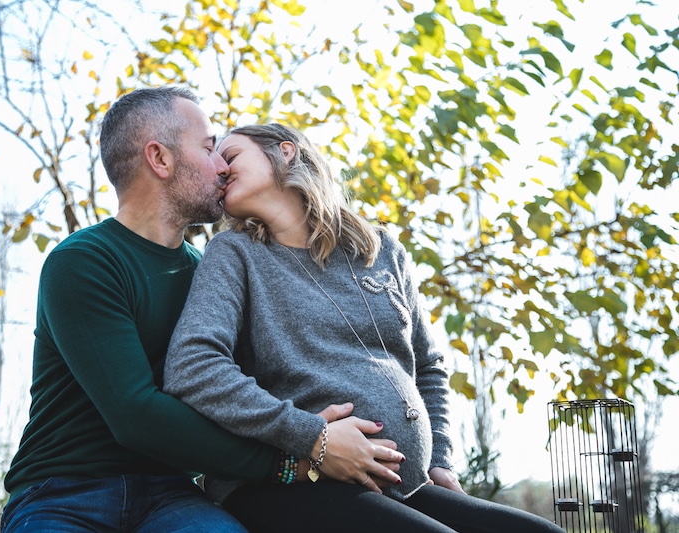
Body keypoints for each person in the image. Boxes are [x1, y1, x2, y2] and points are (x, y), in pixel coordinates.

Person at [0, 87, 403, 532]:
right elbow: (135, 415)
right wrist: (296, 457)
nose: (223, 166)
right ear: (161, 159)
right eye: (210, 148)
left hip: (174, 495)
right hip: (63, 492)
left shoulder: (212, 271)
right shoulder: (84, 261)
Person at [163, 123, 566, 532]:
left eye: (230, 156)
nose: (218, 169)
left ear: (285, 152)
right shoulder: (233, 255)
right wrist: (312, 435)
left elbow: (427, 365)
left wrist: (440, 457)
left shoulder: (383, 251)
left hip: (401, 486)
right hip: (295, 482)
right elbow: (193, 366)